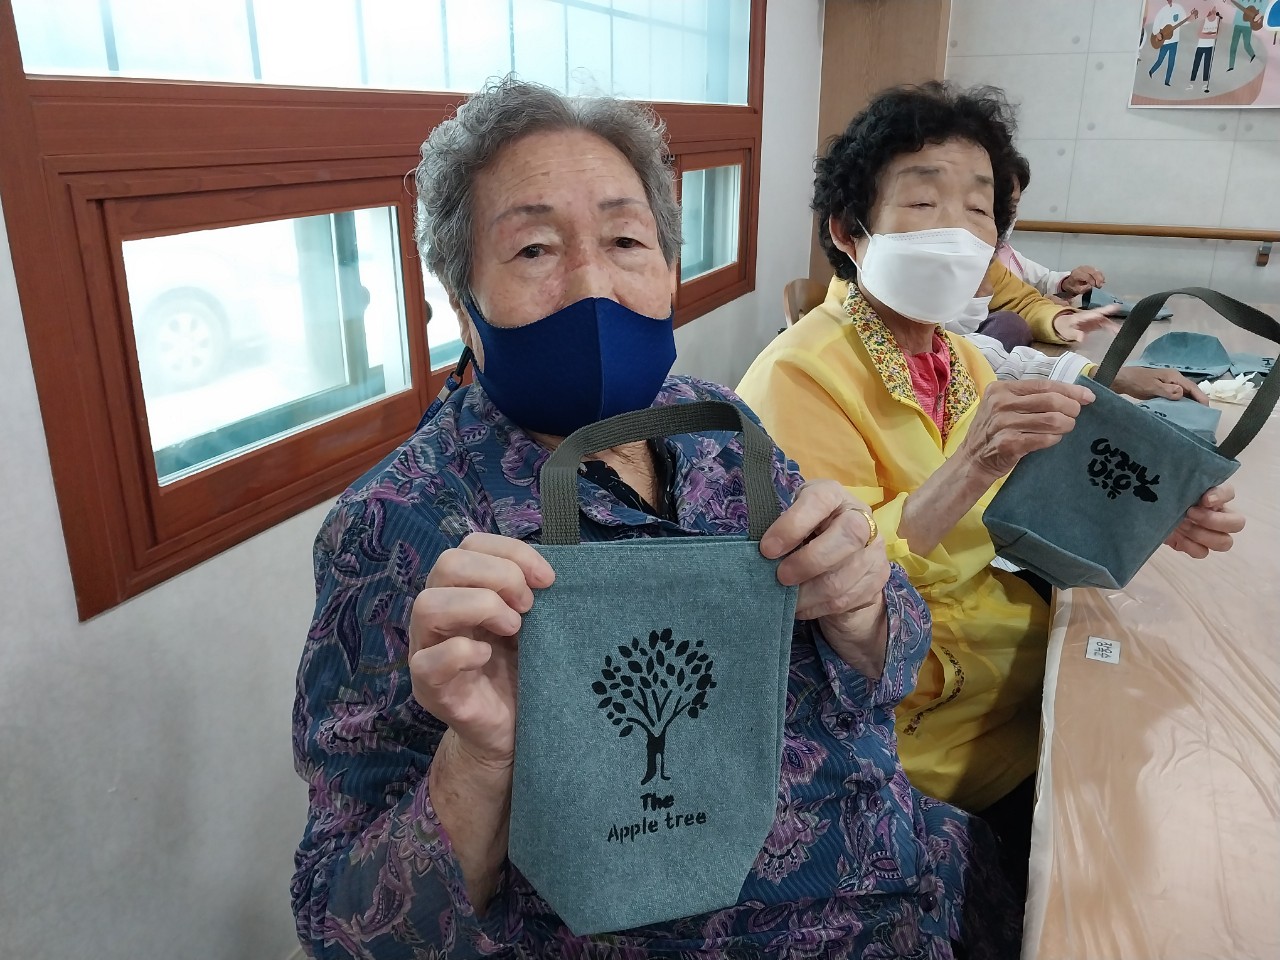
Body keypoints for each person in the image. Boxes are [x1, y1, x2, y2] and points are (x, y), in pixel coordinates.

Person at [291, 78, 1022, 960]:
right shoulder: (400, 526)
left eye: (627, 241)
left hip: (917, 871)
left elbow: (889, 666)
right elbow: (349, 930)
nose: (592, 285)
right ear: (460, 298)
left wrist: (865, 606)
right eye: (533, 249)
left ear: (669, 270)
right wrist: (478, 760)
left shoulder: (722, 431)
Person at [735, 81, 1243, 892]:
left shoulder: (958, 355)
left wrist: (1153, 508)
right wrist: (971, 462)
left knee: (1174, 729)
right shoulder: (800, 374)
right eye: (922, 202)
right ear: (849, 232)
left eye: (977, 210)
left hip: (1003, 665)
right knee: (1136, 837)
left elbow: (1027, 501)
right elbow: (828, 594)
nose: (956, 231)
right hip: (917, 723)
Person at [998, 154, 1104, 303]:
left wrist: (1068, 283)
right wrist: (1040, 308)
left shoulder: (1004, 250)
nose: (1013, 214)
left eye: (1014, 205)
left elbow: (1042, 280)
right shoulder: (973, 256)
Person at [1149, 1, 1196, 86]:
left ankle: (1167, 81)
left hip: (1174, 41)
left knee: (1171, 62)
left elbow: (1183, 21)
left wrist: (1190, 19)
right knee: (1160, 60)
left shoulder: (1179, 8)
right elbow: (1156, 23)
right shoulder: (1163, 10)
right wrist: (1157, 33)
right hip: (1164, 42)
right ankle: (1151, 71)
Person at [1191, 8, 1223, 92]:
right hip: (1200, 46)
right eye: (1212, 11)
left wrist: (1209, 35)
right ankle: (1192, 82)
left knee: (1207, 65)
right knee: (1196, 64)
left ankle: (1205, 84)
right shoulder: (1204, 21)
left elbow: (1217, 34)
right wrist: (1211, 35)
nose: (1213, 13)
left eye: (1214, 12)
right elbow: (1199, 34)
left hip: (1209, 46)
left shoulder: (1217, 22)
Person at [1228, 0, 1260, 70]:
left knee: (1246, 45)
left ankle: (1253, 56)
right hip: (1237, 25)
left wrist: (1257, 17)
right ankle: (1231, 66)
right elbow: (1233, 5)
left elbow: (1261, 13)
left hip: (1247, 26)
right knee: (1233, 45)